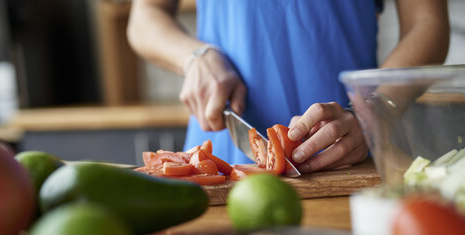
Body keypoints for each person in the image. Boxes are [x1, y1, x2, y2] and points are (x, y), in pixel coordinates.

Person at [127, 0, 449, 172]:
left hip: (350, 147)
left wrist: (374, 110)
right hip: (220, 154)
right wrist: (194, 56)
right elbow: (144, 17)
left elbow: (427, 23)